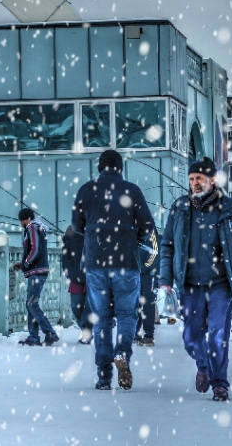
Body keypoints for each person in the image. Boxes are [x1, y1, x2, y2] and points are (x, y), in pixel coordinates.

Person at [158, 157, 232, 403]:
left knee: (217, 335)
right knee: (191, 338)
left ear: (212, 180)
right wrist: (165, 279)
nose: (194, 183)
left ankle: (220, 385)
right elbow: (168, 246)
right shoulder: (180, 207)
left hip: (221, 284)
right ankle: (203, 366)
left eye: (199, 179)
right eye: (191, 179)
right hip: (190, 284)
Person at [72, 149, 158, 391]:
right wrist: (131, 235)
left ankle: (103, 376)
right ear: (120, 168)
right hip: (126, 262)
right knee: (127, 315)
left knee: (102, 320)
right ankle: (122, 353)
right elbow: (147, 226)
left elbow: (76, 225)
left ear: (100, 167)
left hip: (96, 263)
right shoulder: (132, 190)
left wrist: (95, 233)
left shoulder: (86, 190)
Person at [13, 207, 59, 347]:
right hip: (38, 270)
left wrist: (26, 263)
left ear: (27, 219)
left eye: (22, 220)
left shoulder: (32, 227)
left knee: (31, 304)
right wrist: (23, 264)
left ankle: (50, 333)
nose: (21, 223)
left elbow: (35, 248)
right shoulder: (38, 228)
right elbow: (36, 250)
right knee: (31, 304)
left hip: (36, 272)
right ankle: (33, 337)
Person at [61, 225, 94, 343]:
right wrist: (68, 272)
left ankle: (87, 333)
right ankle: (87, 331)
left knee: (89, 307)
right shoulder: (70, 230)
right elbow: (65, 254)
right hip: (75, 276)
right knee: (75, 307)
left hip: (93, 276)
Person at [136, 258, 157, 347]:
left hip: (149, 273)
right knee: (135, 302)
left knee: (148, 303)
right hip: (135, 271)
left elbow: (155, 252)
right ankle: (135, 332)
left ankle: (149, 335)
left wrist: (142, 267)